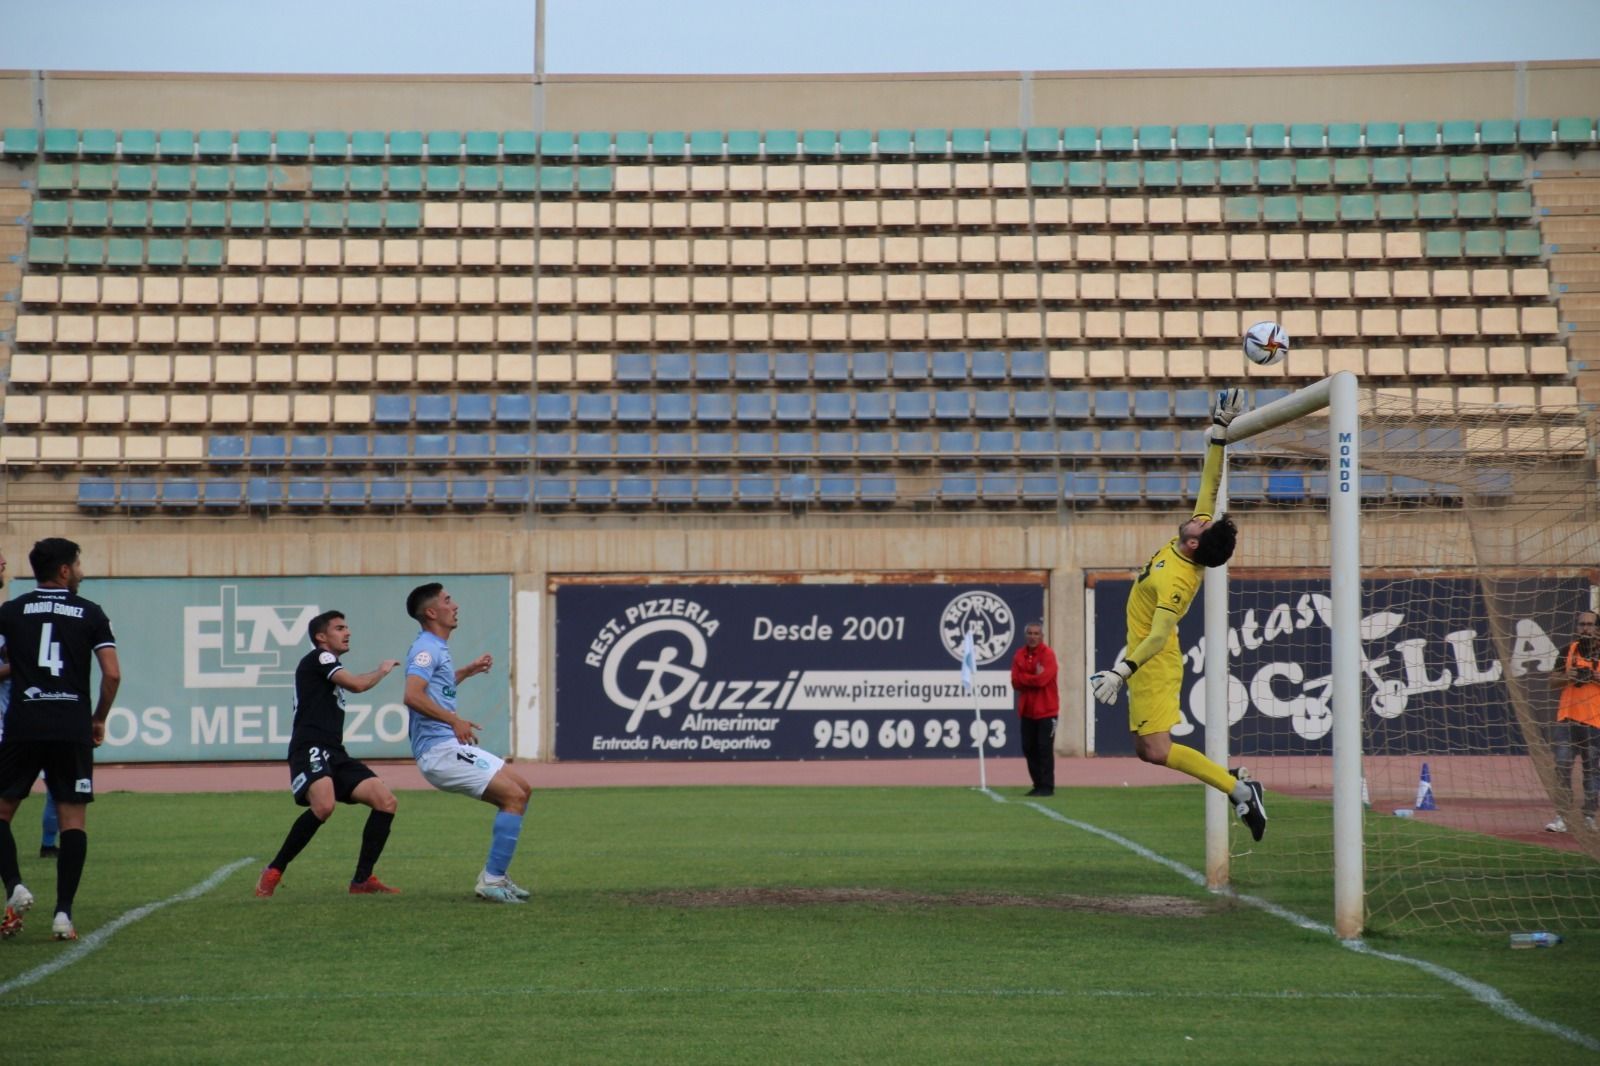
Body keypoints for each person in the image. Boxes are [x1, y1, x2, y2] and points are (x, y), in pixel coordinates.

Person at [1089, 390, 1269, 841]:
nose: (1200, 517)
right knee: (1148, 751)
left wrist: (1122, 670)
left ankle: (1240, 790)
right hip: (1147, 658)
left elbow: (1159, 634)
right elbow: (1209, 484)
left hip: (1155, 662)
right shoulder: (1192, 541)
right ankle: (1236, 784)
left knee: (1154, 749)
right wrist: (1219, 434)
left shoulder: (1177, 581)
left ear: (1193, 544)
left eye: (1201, 524)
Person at [0, 538, 120, 941]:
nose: (81, 571)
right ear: (65, 571)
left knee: (2, 812)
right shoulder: (90, 612)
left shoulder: (11, 611)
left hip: (24, 723)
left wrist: (18, 668)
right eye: (79, 564)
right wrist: (98, 718)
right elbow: (113, 674)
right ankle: (63, 915)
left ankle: (15, 885)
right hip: (71, 726)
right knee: (74, 820)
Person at [255, 610, 403, 897]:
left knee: (385, 801)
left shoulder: (326, 665)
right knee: (323, 806)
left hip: (335, 752)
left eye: (347, 627)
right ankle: (274, 870)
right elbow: (358, 685)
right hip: (310, 745)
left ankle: (362, 881)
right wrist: (382, 670)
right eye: (339, 628)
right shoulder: (321, 657)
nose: (347, 632)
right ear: (321, 637)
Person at [402, 582, 533, 904]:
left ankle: (497, 875)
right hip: (439, 752)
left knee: (522, 789)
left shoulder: (437, 648)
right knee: (514, 796)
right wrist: (454, 721)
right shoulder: (427, 649)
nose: (455, 605)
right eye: (448, 600)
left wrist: (466, 672)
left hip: (447, 746)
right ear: (432, 612)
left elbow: (434, 687)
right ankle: (491, 880)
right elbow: (411, 694)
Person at [0, 548, 59, 861]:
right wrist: (21, 665)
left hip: (23, 720)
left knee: (57, 786)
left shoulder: (11, 614)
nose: (4, 563)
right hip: (9, 725)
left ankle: (49, 844)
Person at [1545, 610, 1600, 834]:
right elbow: (1551, 682)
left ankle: (1588, 816)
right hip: (1567, 718)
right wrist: (1568, 676)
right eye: (1581, 624)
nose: (1585, 628)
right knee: (1563, 766)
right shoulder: (1568, 650)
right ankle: (1563, 816)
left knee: (1592, 771)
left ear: (1598, 628)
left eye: (1589, 624)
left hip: (1595, 721)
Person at [1010, 622, 1059, 797]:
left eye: (1036, 633)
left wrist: (1027, 677)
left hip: (1047, 711)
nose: (1032, 636)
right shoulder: (1019, 655)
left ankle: (1047, 786)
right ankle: (1037, 784)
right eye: (1030, 633)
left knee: (1044, 748)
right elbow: (1015, 681)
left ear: (1042, 636)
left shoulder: (1048, 655)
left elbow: (1043, 680)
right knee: (1028, 748)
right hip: (1027, 711)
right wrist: (1033, 676)